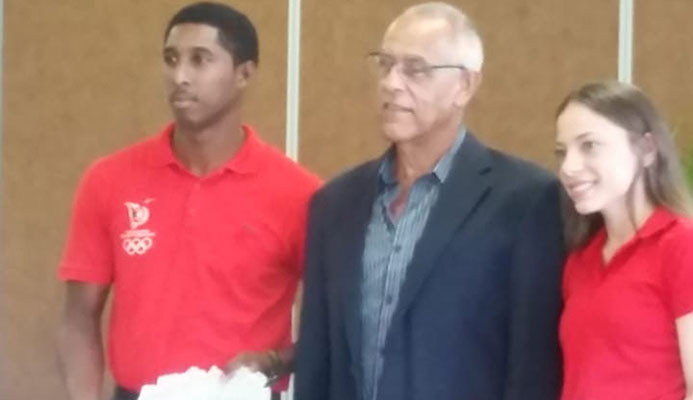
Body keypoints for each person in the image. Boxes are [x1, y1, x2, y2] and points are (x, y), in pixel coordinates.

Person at [294, 3, 565, 400]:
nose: (391, 83)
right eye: (385, 65)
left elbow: (531, 367)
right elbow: (318, 357)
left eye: (414, 69)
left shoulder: (524, 200)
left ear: (465, 86)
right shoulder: (334, 204)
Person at [56, 2, 321, 400]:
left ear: (244, 73)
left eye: (201, 60)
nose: (180, 76)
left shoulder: (300, 193)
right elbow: (78, 318)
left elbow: (338, 326)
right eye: (171, 59)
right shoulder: (109, 180)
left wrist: (274, 361)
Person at [555, 81, 693, 400]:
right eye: (562, 152)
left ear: (646, 150)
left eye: (589, 145)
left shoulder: (681, 245)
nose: (568, 167)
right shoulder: (580, 260)